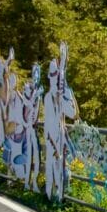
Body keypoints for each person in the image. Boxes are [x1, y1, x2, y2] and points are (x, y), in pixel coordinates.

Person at [44, 43, 78, 201]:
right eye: (53, 75)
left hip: (60, 141)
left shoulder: (60, 96)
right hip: (52, 142)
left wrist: (68, 94)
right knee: (51, 170)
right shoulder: (48, 98)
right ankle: (50, 198)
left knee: (62, 172)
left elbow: (73, 114)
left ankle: (58, 199)